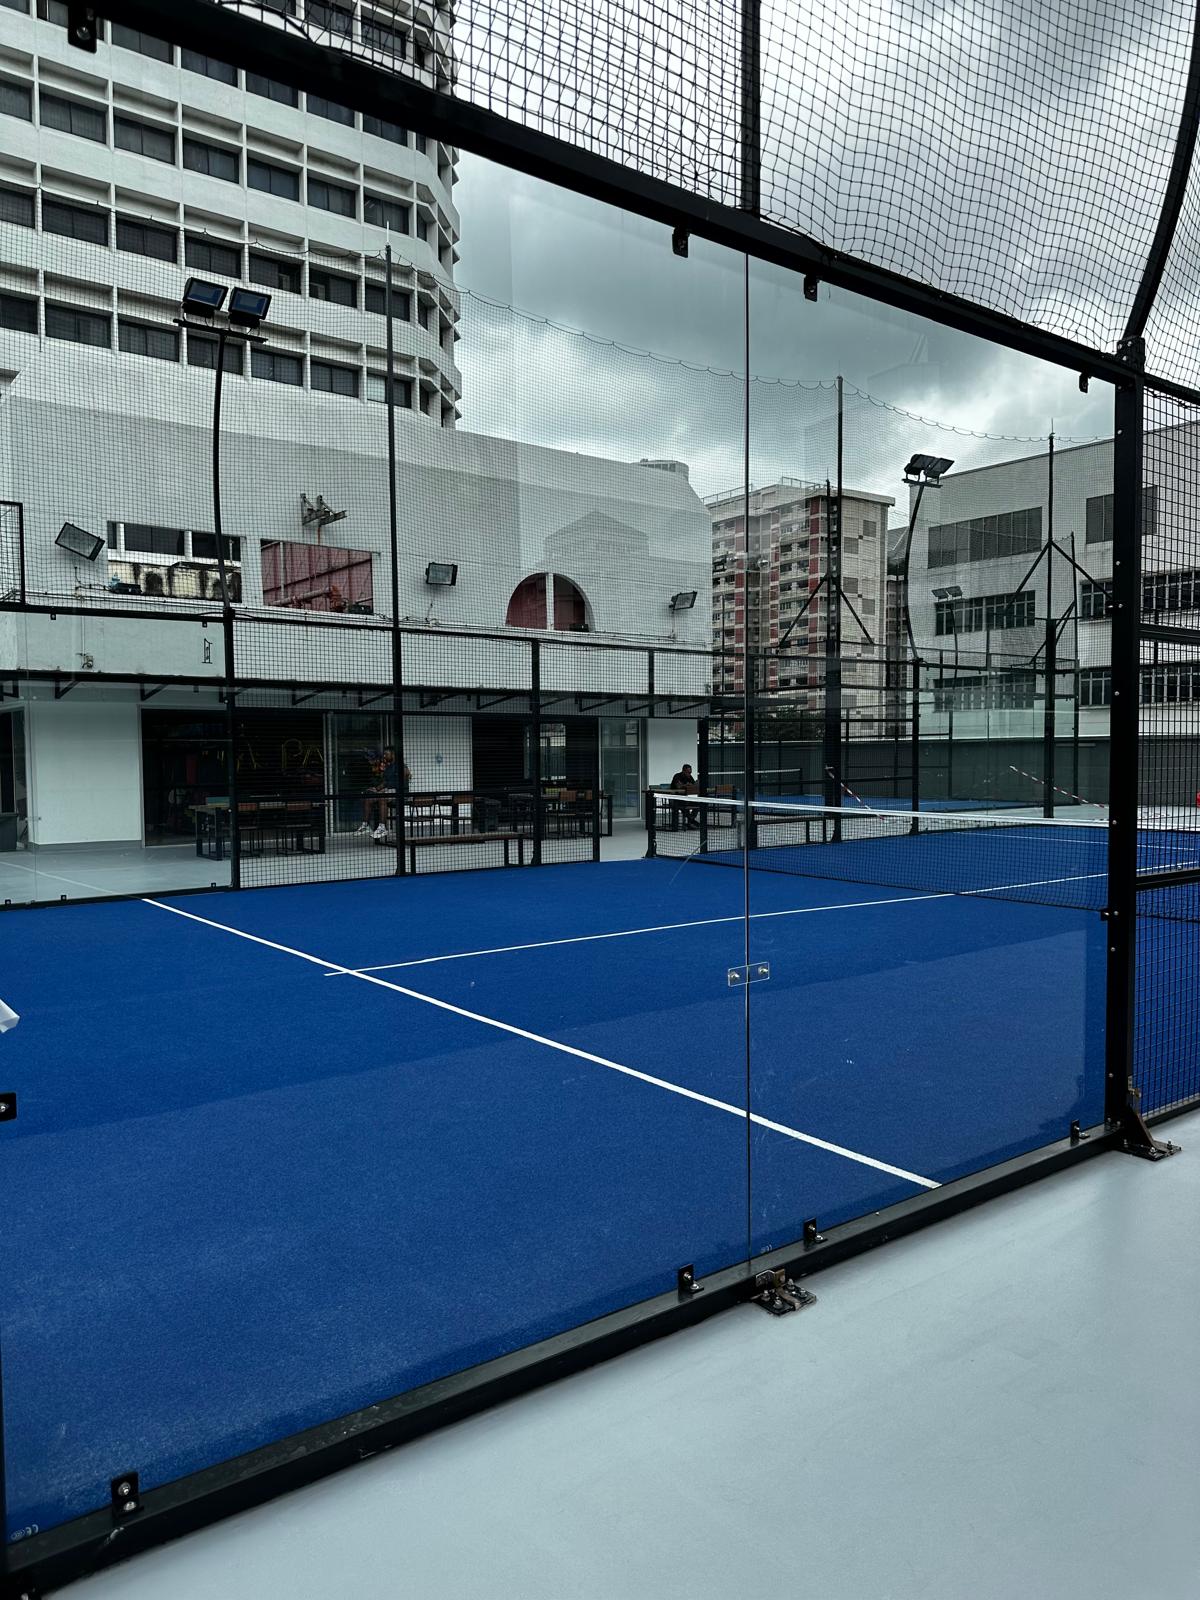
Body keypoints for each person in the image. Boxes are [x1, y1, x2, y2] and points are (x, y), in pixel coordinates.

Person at [359, 746, 409, 840]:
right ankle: (365, 825)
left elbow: (404, 778)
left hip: (399, 792)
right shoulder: (388, 767)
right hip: (388, 790)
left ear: (393, 754)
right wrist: (376, 789)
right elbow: (385, 782)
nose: (385, 756)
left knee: (383, 797)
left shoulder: (401, 765)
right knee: (368, 799)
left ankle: (382, 828)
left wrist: (385, 789)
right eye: (384, 754)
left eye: (387, 754)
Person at [669, 762, 701, 827]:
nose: (689, 774)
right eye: (688, 772)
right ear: (683, 771)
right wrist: (685, 785)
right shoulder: (677, 776)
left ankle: (691, 820)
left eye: (690, 772)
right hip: (675, 799)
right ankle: (691, 821)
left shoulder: (690, 777)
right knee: (683, 805)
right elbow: (678, 786)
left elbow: (693, 786)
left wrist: (695, 785)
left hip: (684, 799)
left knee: (698, 803)